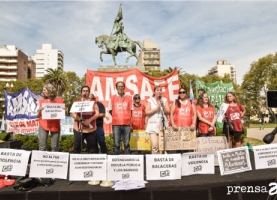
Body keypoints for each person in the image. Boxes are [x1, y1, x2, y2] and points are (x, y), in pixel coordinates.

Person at [71, 86, 99, 153]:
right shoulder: (77, 102)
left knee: (92, 149)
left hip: (91, 129)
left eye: (87, 91)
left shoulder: (93, 103)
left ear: (89, 93)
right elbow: (73, 113)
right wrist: (81, 120)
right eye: (84, 91)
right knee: (77, 148)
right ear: (81, 92)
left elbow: (97, 113)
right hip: (79, 129)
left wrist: (90, 120)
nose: (85, 92)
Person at [37, 83, 65, 152]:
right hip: (43, 125)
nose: (43, 92)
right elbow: (38, 116)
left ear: (50, 90)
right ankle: (41, 161)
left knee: (55, 147)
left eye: (44, 90)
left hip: (55, 125)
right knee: (42, 147)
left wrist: (65, 110)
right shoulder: (41, 101)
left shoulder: (60, 101)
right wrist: (39, 111)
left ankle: (54, 162)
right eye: (43, 90)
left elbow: (62, 114)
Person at [108, 81, 133, 155]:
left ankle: (128, 161)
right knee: (116, 144)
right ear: (116, 88)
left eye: (122, 86)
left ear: (124, 87)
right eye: (119, 86)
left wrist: (130, 124)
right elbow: (110, 110)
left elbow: (131, 111)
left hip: (127, 124)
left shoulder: (129, 98)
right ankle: (116, 161)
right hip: (116, 124)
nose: (120, 88)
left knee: (127, 144)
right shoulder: (112, 97)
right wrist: (117, 116)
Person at [145, 86, 170, 154]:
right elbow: (147, 112)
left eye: (160, 90)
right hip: (153, 126)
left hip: (162, 125)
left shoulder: (164, 100)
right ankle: (154, 161)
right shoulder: (150, 100)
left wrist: (163, 105)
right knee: (155, 145)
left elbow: (168, 111)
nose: (159, 91)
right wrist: (156, 108)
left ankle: (161, 161)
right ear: (154, 92)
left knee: (161, 146)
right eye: (157, 90)